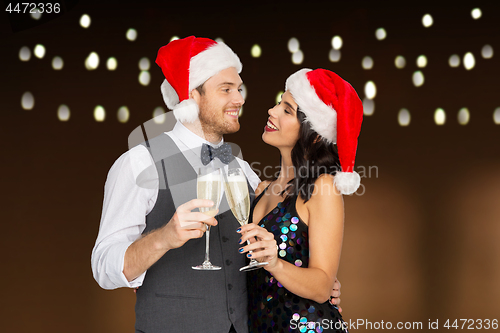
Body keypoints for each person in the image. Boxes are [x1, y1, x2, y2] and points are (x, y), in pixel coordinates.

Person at [91, 37, 342, 333]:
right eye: (226, 90)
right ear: (191, 95)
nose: (240, 99)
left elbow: (295, 238)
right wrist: (163, 239)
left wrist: (321, 285)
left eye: (239, 88)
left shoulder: (245, 172)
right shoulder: (139, 163)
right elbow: (103, 267)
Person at [238, 68, 363, 332]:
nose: (271, 111)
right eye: (278, 104)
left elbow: (321, 287)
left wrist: (274, 263)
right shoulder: (262, 189)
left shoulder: (323, 188)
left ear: (315, 133)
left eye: (286, 110)